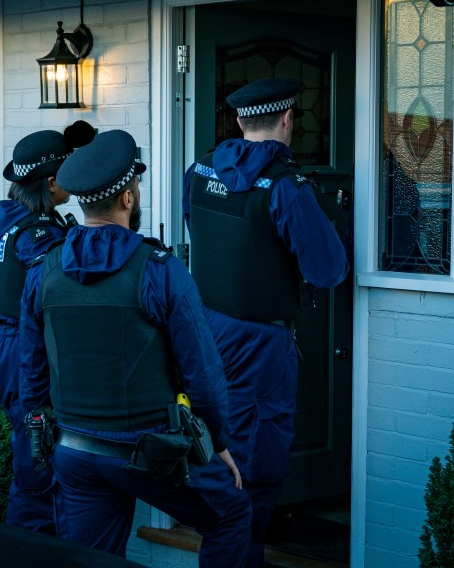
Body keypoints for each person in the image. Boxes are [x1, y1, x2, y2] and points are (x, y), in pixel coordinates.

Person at [19, 129, 252, 567]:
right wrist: (219, 445)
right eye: (136, 187)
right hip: (150, 455)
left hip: (74, 451)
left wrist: (44, 447)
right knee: (233, 515)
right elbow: (202, 374)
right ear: (128, 197)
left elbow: (30, 377)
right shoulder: (160, 270)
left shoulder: (42, 271)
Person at [182, 77, 349, 567]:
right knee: (256, 468)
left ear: (238, 121)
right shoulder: (286, 186)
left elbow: (202, 233)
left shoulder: (198, 170)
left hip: (207, 331)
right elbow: (328, 269)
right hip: (260, 345)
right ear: (288, 120)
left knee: (214, 445)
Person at [0, 122, 94, 533]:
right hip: (22, 349)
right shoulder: (37, 234)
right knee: (36, 459)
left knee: (32, 446)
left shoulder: (10, 218)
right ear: (50, 182)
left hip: (3, 345)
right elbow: (58, 291)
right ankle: (30, 547)